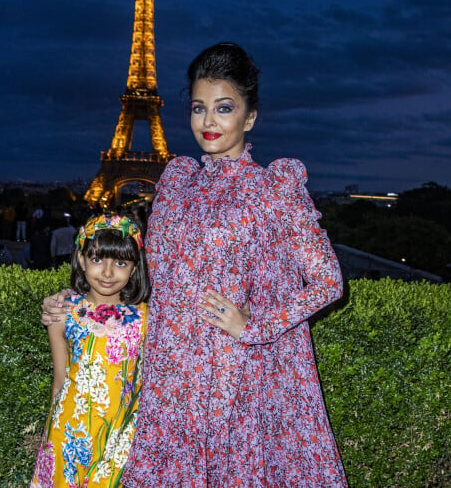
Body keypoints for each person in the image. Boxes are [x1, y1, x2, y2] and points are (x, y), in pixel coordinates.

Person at [42, 43, 347, 486]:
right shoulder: (177, 181)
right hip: (170, 375)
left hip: (233, 379)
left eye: (224, 108)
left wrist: (255, 326)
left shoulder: (274, 188)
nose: (209, 121)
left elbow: (327, 281)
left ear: (250, 116)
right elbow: (144, 272)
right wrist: (77, 303)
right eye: (199, 108)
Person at [31, 215, 149, 487]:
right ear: (82, 260)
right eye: (97, 260)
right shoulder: (63, 313)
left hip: (121, 435)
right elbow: (59, 380)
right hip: (68, 430)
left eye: (120, 263)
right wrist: (51, 438)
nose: (107, 273)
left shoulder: (146, 318)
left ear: (133, 269)